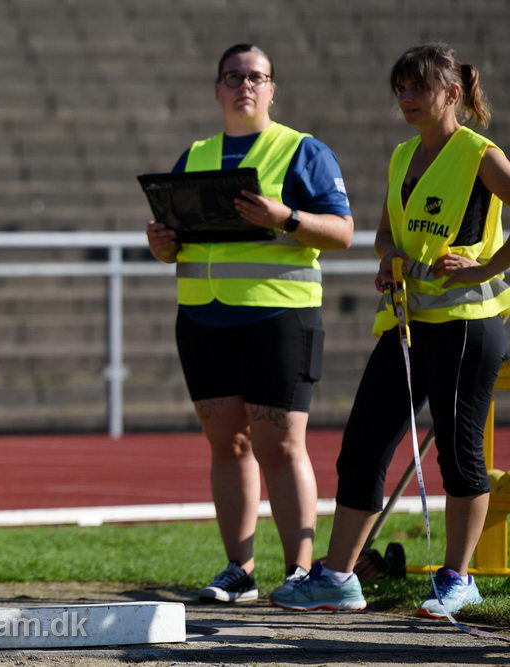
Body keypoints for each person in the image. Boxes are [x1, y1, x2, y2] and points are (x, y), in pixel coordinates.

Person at [272, 43, 510, 618]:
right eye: (399, 89)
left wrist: (481, 268)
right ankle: (338, 577)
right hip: (408, 326)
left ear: (452, 94)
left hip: (468, 327)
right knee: (362, 449)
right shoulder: (404, 154)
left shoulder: (482, 155)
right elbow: (384, 234)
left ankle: (458, 578)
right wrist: (388, 259)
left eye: (417, 88)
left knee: (459, 458)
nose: (405, 99)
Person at [146, 44, 354, 602]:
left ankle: (301, 574)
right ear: (217, 89)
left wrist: (284, 216)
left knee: (282, 447)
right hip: (203, 320)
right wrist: (162, 245)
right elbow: (177, 244)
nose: (245, 85)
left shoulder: (302, 150)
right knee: (227, 446)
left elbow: (342, 233)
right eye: (234, 77)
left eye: (256, 77)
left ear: (272, 88)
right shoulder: (195, 155)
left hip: (278, 317)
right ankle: (238, 570)